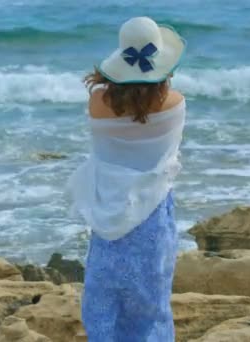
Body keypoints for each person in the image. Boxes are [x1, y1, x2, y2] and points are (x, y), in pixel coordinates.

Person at [67, 16, 187, 341]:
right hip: (154, 220)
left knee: (104, 304)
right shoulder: (175, 104)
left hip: (109, 216)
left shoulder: (97, 103)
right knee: (153, 307)